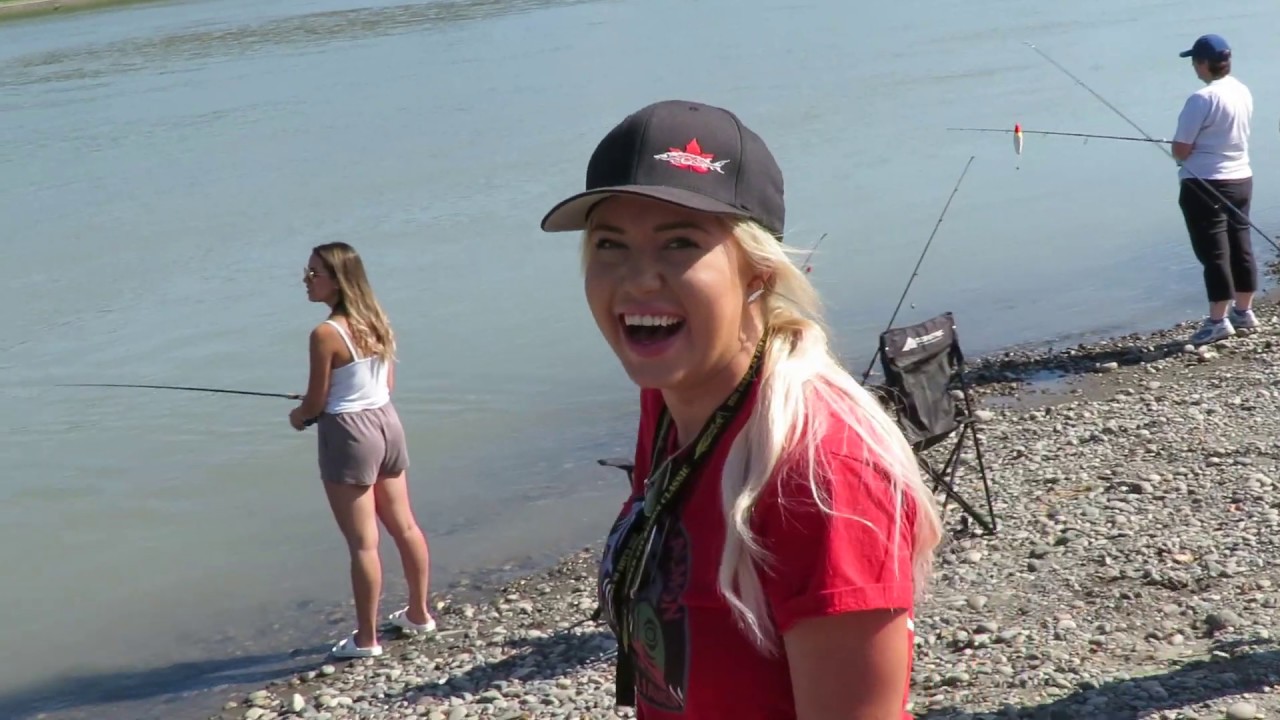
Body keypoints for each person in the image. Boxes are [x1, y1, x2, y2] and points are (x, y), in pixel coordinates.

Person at [539, 100, 944, 719]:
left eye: (680, 243)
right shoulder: (671, 400)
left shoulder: (820, 475)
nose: (638, 279)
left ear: (757, 272)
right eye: (610, 244)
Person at [291, 242, 436, 658]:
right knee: (405, 526)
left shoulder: (326, 334)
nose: (307, 279)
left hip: (350, 434)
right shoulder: (377, 320)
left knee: (363, 544)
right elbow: (385, 385)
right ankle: (419, 614)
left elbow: (316, 404)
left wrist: (298, 416)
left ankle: (367, 639)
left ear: (338, 280)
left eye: (315, 273)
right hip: (388, 424)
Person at [1171, 33, 1256, 346]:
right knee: (1240, 245)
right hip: (1241, 179)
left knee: (1214, 253)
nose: (1194, 65)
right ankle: (1244, 312)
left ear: (1204, 63)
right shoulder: (1242, 90)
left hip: (1205, 184)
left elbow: (1181, 149)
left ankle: (1218, 320)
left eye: (1195, 60)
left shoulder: (1201, 99)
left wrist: (1177, 152)